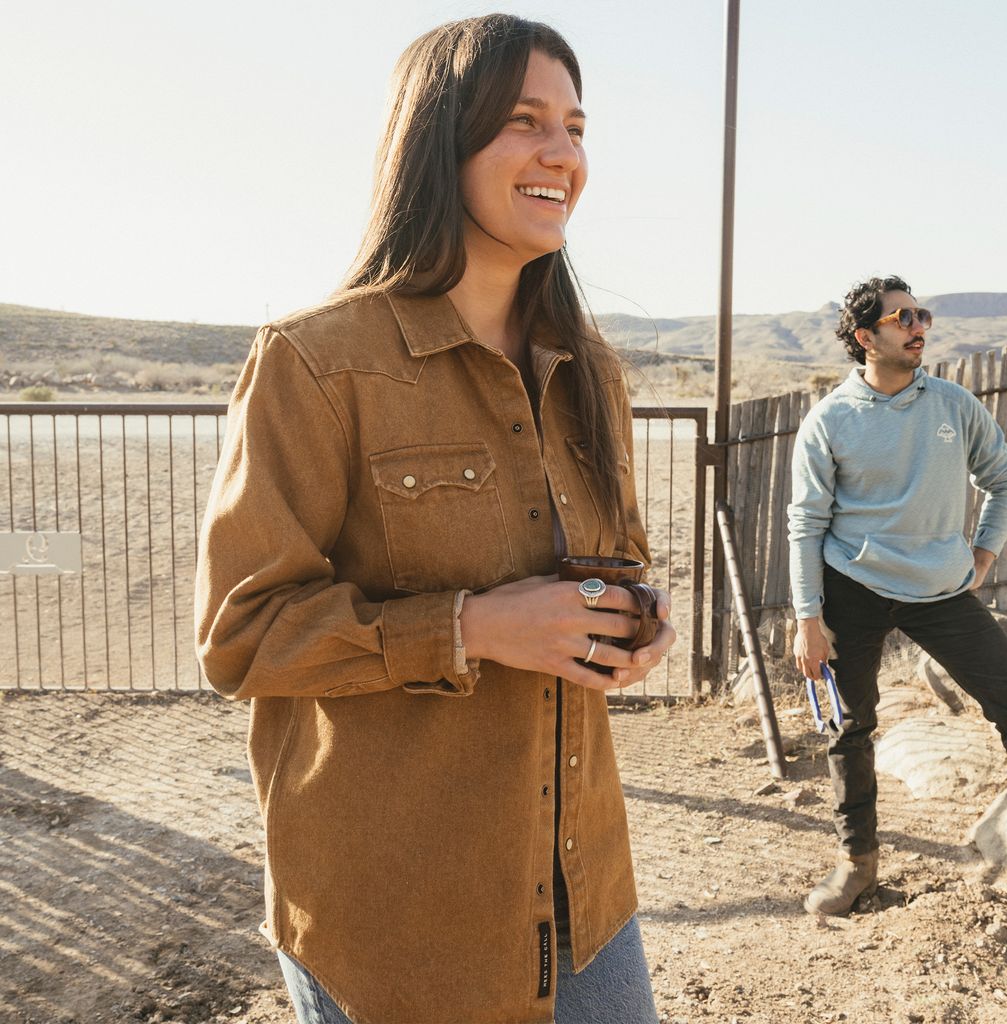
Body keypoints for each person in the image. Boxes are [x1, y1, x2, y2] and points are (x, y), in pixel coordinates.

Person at [194, 14, 676, 1024]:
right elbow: (240, 637)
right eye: (523, 121)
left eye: (577, 127)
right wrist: (469, 627)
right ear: (436, 141)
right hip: (394, 914)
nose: (563, 154)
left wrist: (635, 617)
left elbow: (609, 560)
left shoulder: (592, 371)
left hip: (585, 893)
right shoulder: (314, 363)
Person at [788, 275, 1007, 916]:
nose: (919, 325)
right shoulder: (830, 419)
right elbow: (805, 522)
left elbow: (1005, 478)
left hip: (940, 589)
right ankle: (856, 866)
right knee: (849, 727)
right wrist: (808, 617)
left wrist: (984, 552)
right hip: (852, 586)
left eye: (922, 314)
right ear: (866, 337)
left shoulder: (952, 404)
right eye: (903, 317)